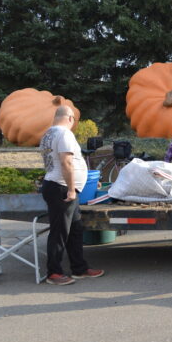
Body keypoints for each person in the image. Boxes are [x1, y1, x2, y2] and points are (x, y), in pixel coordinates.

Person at [39, 106, 104, 285]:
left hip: (57, 185)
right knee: (60, 231)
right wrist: (71, 189)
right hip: (61, 188)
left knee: (75, 229)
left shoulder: (48, 134)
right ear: (70, 118)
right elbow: (66, 162)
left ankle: (79, 268)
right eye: (74, 120)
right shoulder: (64, 134)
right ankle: (53, 273)